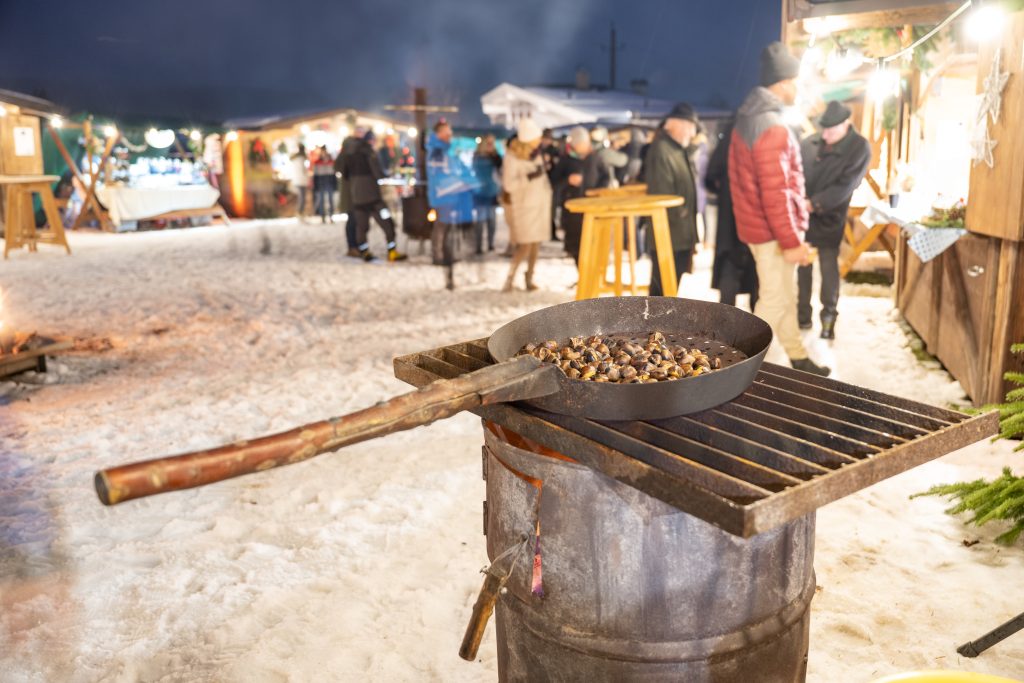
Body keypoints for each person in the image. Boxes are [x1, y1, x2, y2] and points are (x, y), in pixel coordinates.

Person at [729, 42, 830, 377]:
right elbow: (777, 194)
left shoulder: (749, 119)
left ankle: (797, 356)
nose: (798, 89)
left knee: (785, 295)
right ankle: (734, 368)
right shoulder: (771, 125)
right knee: (774, 299)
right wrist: (790, 241)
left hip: (761, 229)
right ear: (784, 83)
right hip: (771, 232)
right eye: (796, 82)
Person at [798, 100, 872, 340]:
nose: (825, 135)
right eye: (824, 129)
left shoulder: (859, 147)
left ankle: (828, 320)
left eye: (831, 130)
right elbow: (796, 173)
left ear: (845, 124)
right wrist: (800, 201)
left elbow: (847, 184)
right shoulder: (810, 143)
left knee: (829, 266)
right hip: (804, 216)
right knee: (804, 265)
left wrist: (814, 203)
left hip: (831, 215)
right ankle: (803, 316)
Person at [643, 103, 700, 297]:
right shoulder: (662, 149)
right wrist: (681, 217)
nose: (693, 133)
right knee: (661, 290)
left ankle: (662, 317)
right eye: (690, 127)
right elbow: (662, 192)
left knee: (671, 285)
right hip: (668, 233)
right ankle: (654, 319)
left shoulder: (676, 149)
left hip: (679, 232)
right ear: (675, 125)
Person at [706, 120, 758, 310]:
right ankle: (757, 320)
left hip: (729, 215)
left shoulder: (729, 136)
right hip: (756, 215)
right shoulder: (762, 131)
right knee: (757, 268)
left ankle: (727, 318)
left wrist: (723, 191)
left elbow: (710, 176)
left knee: (730, 264)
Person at [337, 130, 406, 262]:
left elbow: (343, 173)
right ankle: (392, 251)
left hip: (357, 198)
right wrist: (386, 176)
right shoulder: (368, 152)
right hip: (373, 198)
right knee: (388, 222)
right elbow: (377, 173)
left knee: (361, 226)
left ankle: (364, 252)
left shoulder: (348, 155)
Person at [426, 120, 478, 289]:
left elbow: (454, 171)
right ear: (439, 134)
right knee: (442, 226)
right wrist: (461, 184)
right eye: (447, 132)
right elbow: (441, 176)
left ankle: (444, 255)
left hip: (449, 195)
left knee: (445, 227)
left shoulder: (445, 150)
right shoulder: (437, 151)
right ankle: (439, 256)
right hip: (443, 196)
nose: (450, 135)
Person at [502, 118, 552, 292]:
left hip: (540, 205)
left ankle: (529, 278)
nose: (539, 140)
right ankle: (510, 279)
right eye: (537, 137)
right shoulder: (512, 156)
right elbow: (509, 185)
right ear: (528, 138)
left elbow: (542, 179)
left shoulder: (535, 153)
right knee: (525, 245)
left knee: (536, 244)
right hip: (525, 207)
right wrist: (529, 177)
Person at [549, 126, 610, 266]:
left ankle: (593, 273)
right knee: (577, 245)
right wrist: (568, 180)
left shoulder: (596, 157)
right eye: (579, 144)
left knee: (594, 243)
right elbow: (554, 182)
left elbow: (606, 177)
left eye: (584, 143)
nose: (582, 147)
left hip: (593, 207)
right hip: (573, 210)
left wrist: (597, 191)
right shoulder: (566, 160)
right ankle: (582, 273)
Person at [471, 134, 502, 254]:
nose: (491, 146)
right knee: (480, 220)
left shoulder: (495, 157)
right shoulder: (477, 157)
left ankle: (490, 244)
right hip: (481, 191)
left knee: (491, 219)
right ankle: (478, 246)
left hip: (491, 191)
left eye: (492, 143)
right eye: (489, 143)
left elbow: (500, 170)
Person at [311, 145, 335, 223]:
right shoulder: (317, 162)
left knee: (330, 200)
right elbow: (315, 176)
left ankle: (331, 216)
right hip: (321, 183)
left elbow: (334, 174)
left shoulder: (331, 161)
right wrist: (315, 186)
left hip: (329, 182)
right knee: (321, 200)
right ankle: (322, 217)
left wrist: (335, 184)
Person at [290, 143, 310, 222]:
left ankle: (300, 212)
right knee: (302, 197)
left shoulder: (296, 158)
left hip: (298, 180)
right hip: (301, 180)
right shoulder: (301, 159)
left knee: (301, 197)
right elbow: (303, 171)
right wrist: (306, 177)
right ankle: (300, 212)